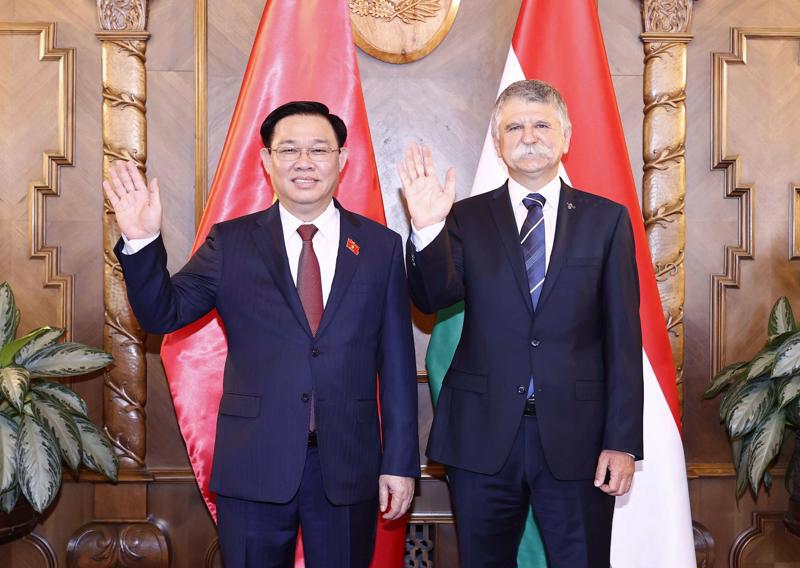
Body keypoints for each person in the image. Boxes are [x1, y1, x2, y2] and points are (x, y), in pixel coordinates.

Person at [105, 101, 420, 568]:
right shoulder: (230, 243)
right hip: (254, 461)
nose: (304, 162)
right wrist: (141, 242)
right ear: (266, 161)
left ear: (343, 158)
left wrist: (399, 461)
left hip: (349, 464)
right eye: (288, 149)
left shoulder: (380, 246)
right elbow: (162, 314)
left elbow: (395, 366)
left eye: (319, 149)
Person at [398, 80, 643, 568]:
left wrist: (622, 442)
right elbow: (430, 298)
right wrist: (427, 230)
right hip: (482, 438)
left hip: (578, 439)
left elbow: (622, 338)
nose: (528, 136)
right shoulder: (463, 218)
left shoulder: (606, 220)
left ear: (566, 136)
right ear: (498, 142)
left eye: (540, 124)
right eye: (514, 126)